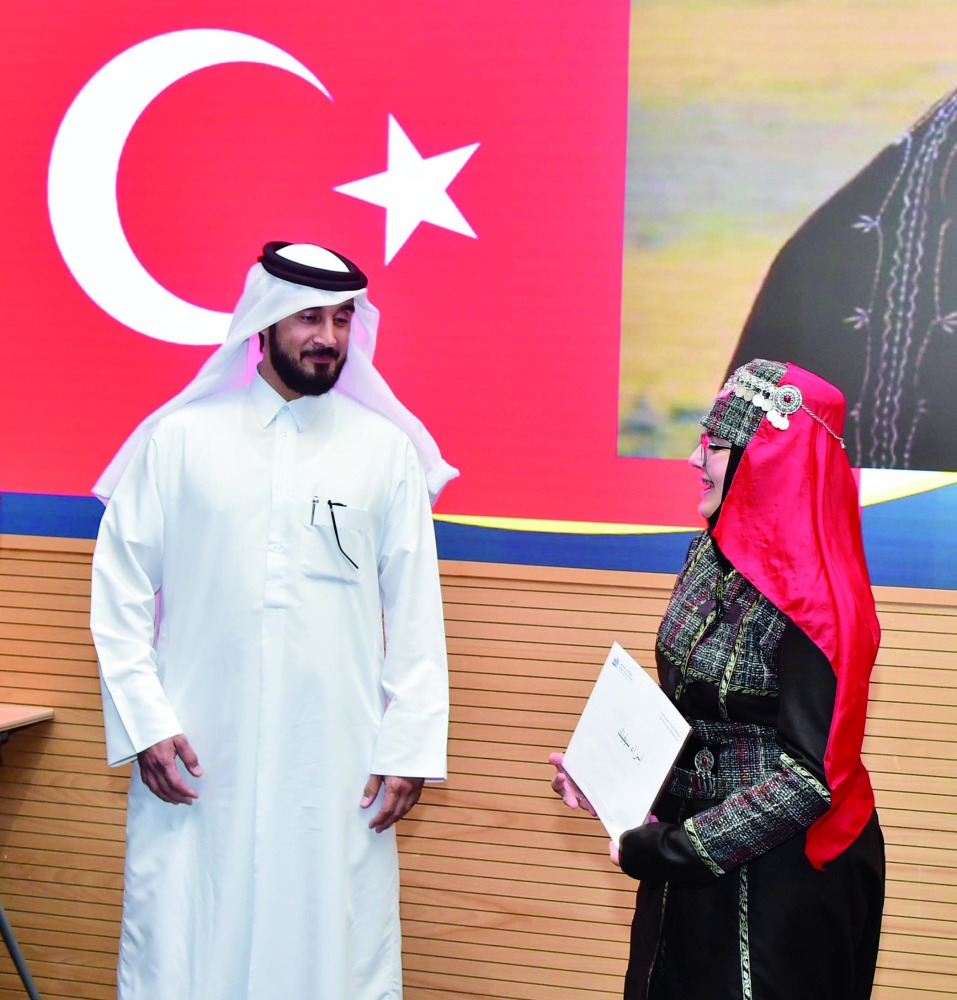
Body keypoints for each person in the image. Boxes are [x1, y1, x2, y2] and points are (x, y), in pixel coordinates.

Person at [90, 241, 455, 999]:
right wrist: (145, 723)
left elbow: (416, 613)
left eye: (342, 318)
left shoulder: (384, 452)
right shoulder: (180, 442)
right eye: (309, 317)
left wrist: (409, 746)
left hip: (336, 759)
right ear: (264, 321)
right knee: (186, 936)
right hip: (195, 749)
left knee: (330, 945)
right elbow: (119, 592)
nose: (328, 336)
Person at [551, 358, 885, 999]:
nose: (693, 459)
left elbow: (810, 779)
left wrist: (675, 848)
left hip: (782, 882)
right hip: (688, 854)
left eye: (716, 445)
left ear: (768, 461)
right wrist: (611, 778)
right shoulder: (711, 551)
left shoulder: (822, 601)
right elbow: (692, 710)